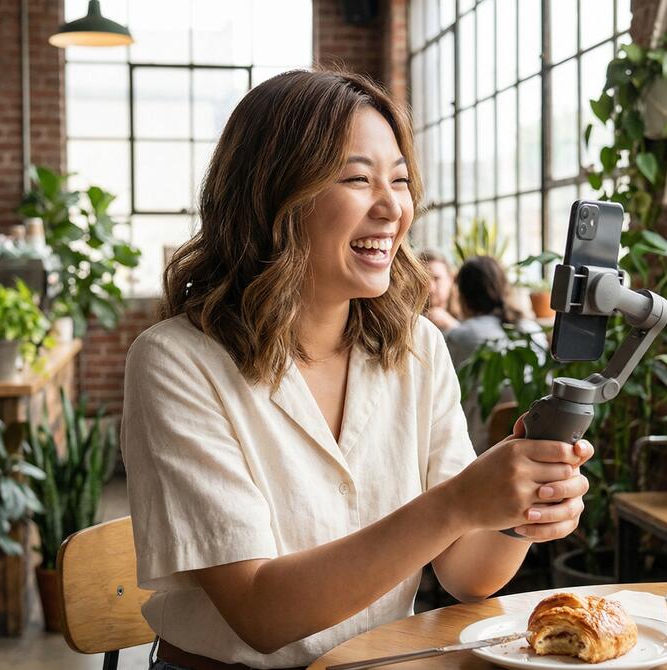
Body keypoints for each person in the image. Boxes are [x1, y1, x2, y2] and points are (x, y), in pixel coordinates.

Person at [122, 70, 593, 668]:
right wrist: (455, 503)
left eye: (399, 180)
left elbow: (465, 575)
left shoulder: (416, 346)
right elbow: (260, 614)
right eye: (357, 179)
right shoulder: (176, 362)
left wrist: (517, 512)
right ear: (272, 195)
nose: (393, 206)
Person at [445, 255, 547, 452]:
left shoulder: (460, 337)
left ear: (463, 294)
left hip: (477, 449)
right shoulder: (532, 331)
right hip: (532, 440)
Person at [419, 249, 459, 333]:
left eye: (436, 278)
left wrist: (453, 325)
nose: (430, 287)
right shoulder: (406, 319)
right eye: (423, 280)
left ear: (450, 279)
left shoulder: (467, 313)